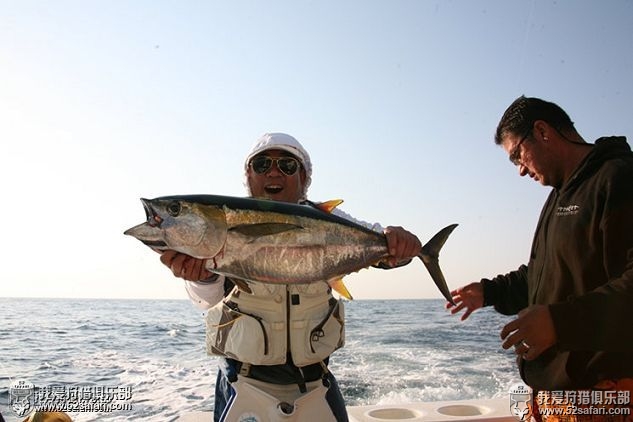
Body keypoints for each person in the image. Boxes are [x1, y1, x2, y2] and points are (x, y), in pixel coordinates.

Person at [160, 132, 422, 421]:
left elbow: (382, 242)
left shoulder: (330, 221)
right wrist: (201, 277)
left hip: (315, 382)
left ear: (304, 177)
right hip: (243, 382)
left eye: (287, 165)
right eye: (262, 165)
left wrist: (400, 243)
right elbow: (208, 301)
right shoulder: (222, 222)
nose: (273, 172)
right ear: (248, 175)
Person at [447, 96, 633, 420]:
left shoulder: (618, 178)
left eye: (517, 154)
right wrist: (489, 292)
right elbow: (542, 275)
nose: (520, 170)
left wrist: (558, 323)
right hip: (551, 401)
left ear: (543, 132)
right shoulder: (558, 197)